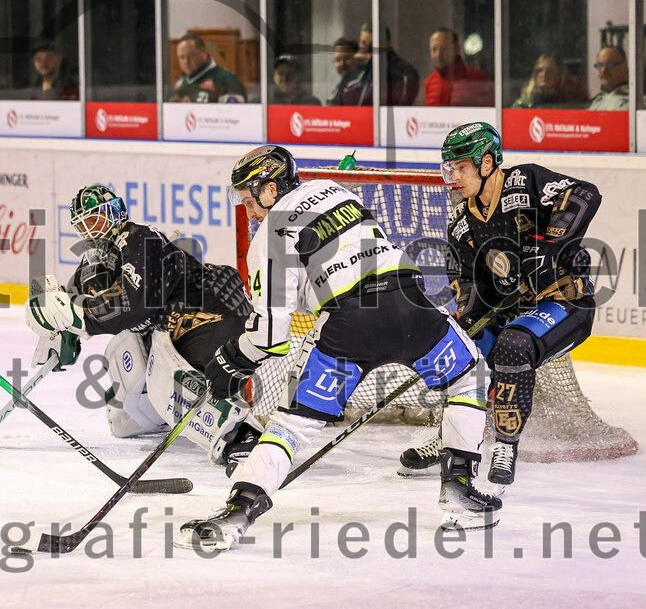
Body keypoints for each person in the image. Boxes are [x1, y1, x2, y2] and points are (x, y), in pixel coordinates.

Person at [175, 145, 498, 551]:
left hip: (350, 328)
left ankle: (237, 514)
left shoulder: (268, 237)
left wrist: (231, 359)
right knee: (469, 378)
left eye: (249, 196)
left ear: (271, 189)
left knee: (296, 424)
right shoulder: (335, 190)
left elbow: (271, 336)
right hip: (411, 304)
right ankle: (459, 487)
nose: (248, 208)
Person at [400, 123, 601, 486]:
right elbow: (466, 280)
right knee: (463, 351)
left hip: (565, 305)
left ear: (487, 162)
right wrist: (468, 317)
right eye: (449, 168)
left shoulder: (524, 181)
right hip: (511, 311)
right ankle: (454, 437)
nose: (453, 177)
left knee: (513, 345)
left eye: (461, 167)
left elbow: (585, 194)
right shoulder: (461, 220)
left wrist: (548, 253)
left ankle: (506, 445)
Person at [24, 185, 261, 465]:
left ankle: (244, 435)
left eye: (96, 219)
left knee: (174, 385)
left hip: (214, 309)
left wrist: (79, 317)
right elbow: (65, 295)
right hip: (176, 328)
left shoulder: (140, 238)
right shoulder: (93, 262)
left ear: (115, 213)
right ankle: (166, 414)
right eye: (84, 224)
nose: (91, 230)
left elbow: (132, 307)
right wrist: (52, 315)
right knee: (124, 420)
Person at [328, 24, 419, 106]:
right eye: (363, 43)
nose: (365, 49)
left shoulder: (403, 70)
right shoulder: (358, 70)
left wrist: (374, 63)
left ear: (386, 43)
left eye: (372, 45)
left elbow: (404, 99)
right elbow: (340, 100)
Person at [169, 32, 246, 103]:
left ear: (203, 53)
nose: (186, 62)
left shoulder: (226, 79)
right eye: (182, 57)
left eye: (191, 55)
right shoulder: (177, 86)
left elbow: (237, 113)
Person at [424, 27, 493, 106]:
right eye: (434, 49)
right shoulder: (430, 81)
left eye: (445, 48)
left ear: (456, 49)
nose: (439, 54)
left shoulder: (477, 78)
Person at [510, 54, 586, 109]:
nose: (544, 74)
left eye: (550, 70)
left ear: (559, 73)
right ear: (535, 74)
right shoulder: (525, 102)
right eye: (540, 70)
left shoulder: (570, 98)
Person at [588, 46, 629, 110]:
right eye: (599, 65)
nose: (603, 70)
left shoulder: (633, 100)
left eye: (609, 64)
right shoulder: (596, 101)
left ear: (624, 66)